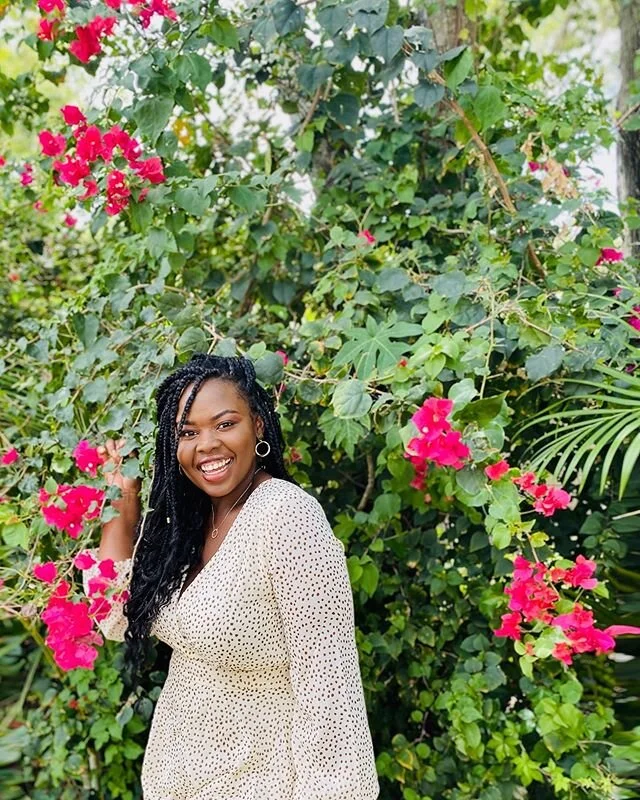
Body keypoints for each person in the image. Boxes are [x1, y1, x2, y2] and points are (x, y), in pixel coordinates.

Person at [82, 354, 380, 800]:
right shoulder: (186, 522)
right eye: (188, 432)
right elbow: (114, 616)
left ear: (257, 426)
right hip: (176, 784)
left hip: (264, 784)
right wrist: (121, 498)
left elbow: (330, 692)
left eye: (224, 424)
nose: (206, 444)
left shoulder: (286, 517)